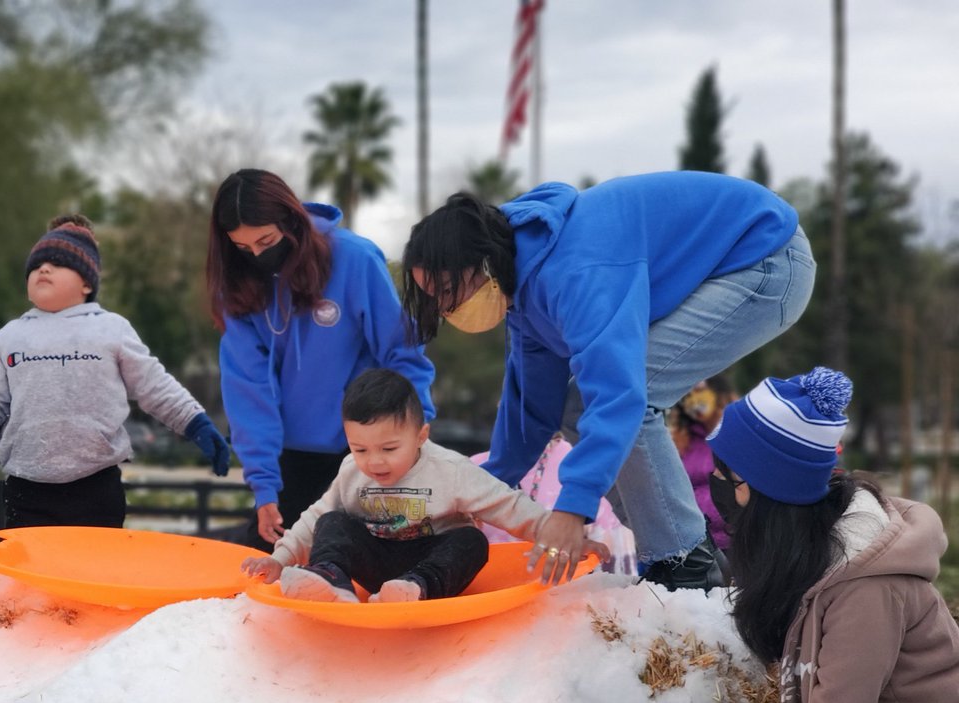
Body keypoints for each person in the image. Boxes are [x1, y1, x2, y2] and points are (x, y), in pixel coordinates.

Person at [400, 171, 817, 591]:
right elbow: (532, 409)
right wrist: (482, 491)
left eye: (449, 290)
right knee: (579, 411)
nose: (445, 306)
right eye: (434, 297)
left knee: (636, 397)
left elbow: (619, 396)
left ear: (484, 260)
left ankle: (686, 563)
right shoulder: (522, 293)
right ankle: (678, 556)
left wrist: (572, 509)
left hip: (766, 261)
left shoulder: (578, 269)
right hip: (731, 263)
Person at [685, 367, 959, 703]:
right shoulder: (813, 558)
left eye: (726, 475)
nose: (715, 486)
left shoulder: (864, 591)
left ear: (760, 492)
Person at [0, 214, 230, 529]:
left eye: (57, 264)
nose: (43, 269)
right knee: (29, 577)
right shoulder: (7, 338)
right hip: (26, 489)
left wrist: (196, 424)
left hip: (96, 487)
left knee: (93, 574)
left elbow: (154, 386)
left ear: (86, 282)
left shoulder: (110, 329)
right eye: (36, 266)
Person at [207, 169, 436, 553]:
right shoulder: (236, 283)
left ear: (290, 221)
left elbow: (402, 352)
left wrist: (413, 434)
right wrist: (263, 486)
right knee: (273, 560)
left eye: (266, 240)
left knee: (376, 557)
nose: (259, 255)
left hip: (367, 447)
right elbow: (248, 389)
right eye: (244, 248)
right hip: (291, 459)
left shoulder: (354, 259)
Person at [241, 368, 606, 602]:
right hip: (377, 558)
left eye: (388, 448)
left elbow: (507, 505)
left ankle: (414, 589)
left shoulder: (448, 469)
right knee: (331, 522)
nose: (374, 461)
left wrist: (563, 535)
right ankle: (329, 580)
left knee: (472, 541)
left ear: (420, 436)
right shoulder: (352, 471)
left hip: (432, 563)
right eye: (360, 448)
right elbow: (315, 516)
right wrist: (280, 559)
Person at [670, 373, 737, 552]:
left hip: (733, 540)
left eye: (699, 391)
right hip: (699, 543)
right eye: (688, 394)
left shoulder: (736, 434)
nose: (694, 400)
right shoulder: (682, 439)